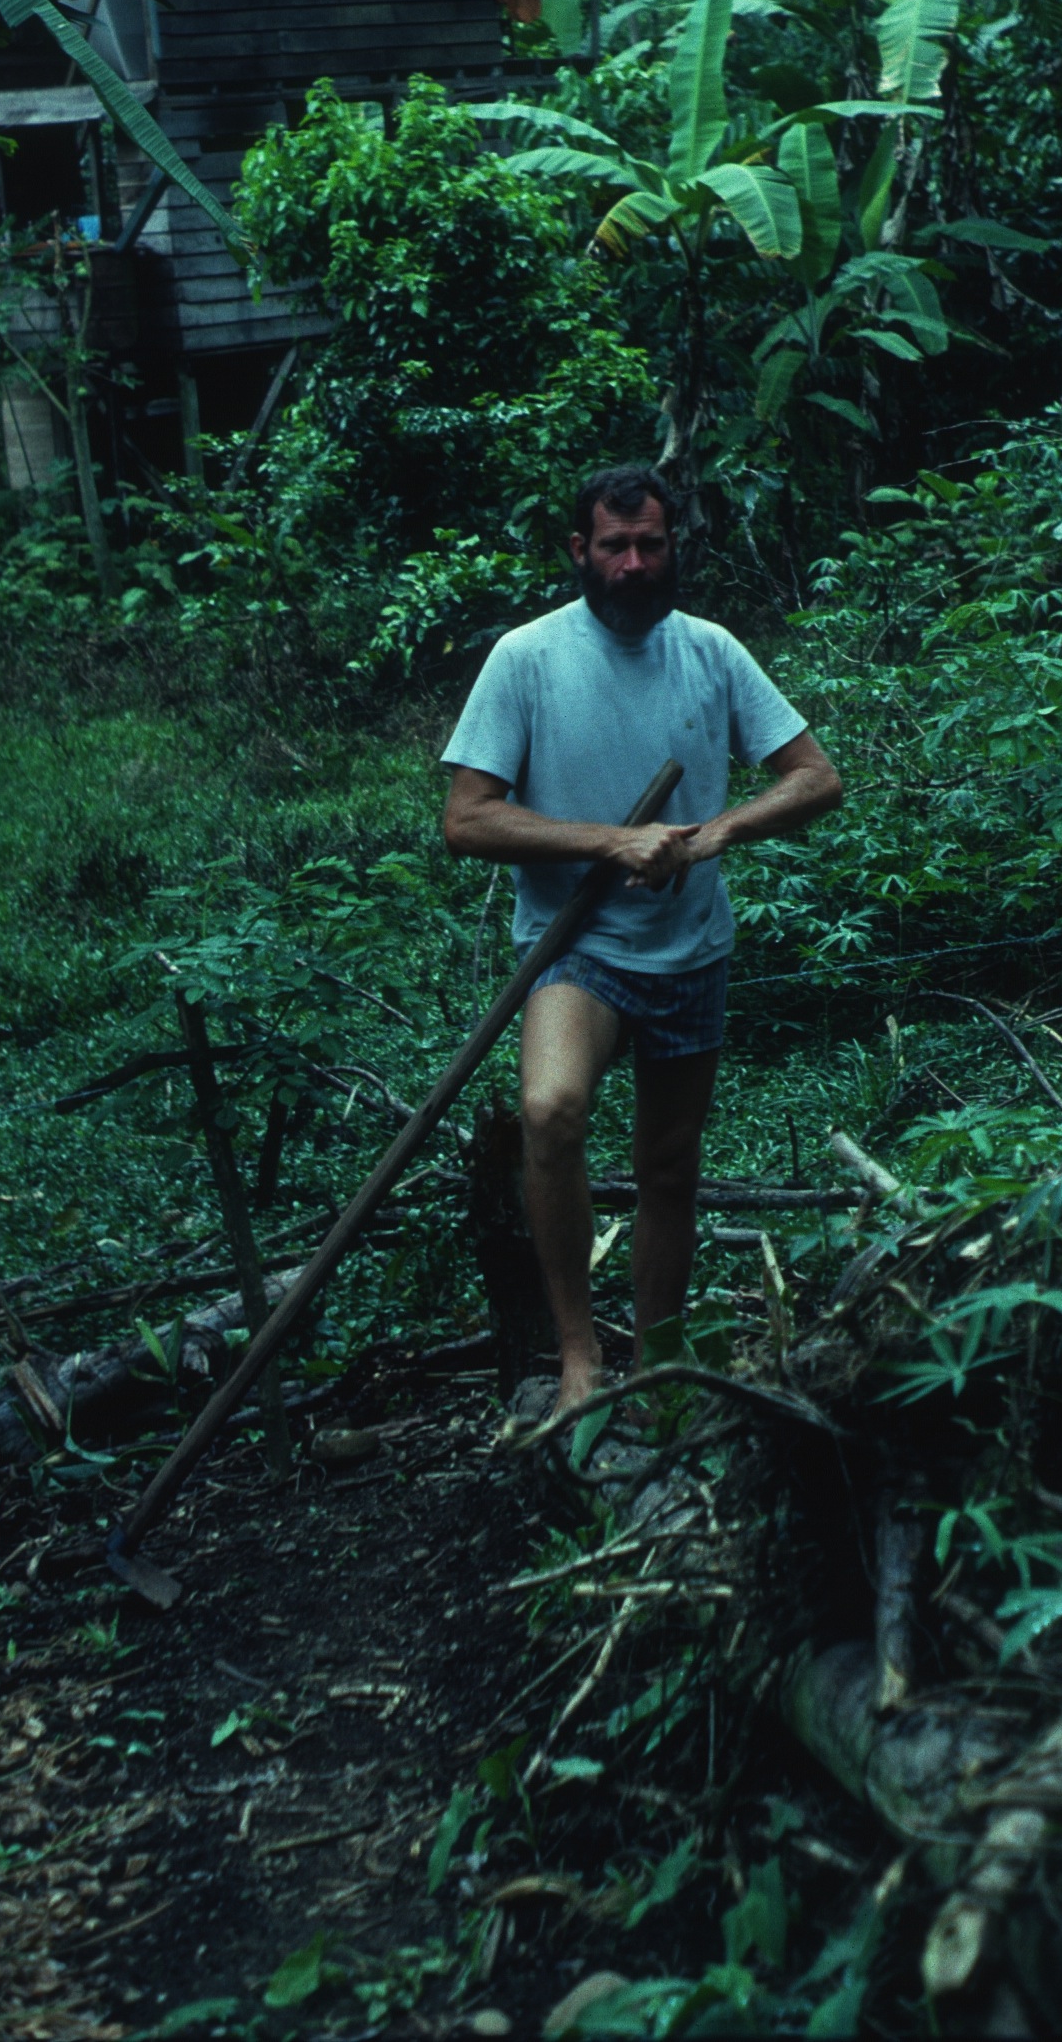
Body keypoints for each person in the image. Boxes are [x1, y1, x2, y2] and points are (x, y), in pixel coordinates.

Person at [441, 463, 843, 1412]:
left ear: (672, 548)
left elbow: (816, 778)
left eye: (649, 545)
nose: (632, 564)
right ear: (578, 552)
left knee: (669, 1166)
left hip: (691, 951)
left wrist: (719, 833)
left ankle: (660, 1366)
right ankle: (580, 1356)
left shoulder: (709, 652)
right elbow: (467, 820)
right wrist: (606, 839)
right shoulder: (527, 659)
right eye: (613, 547)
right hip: (573, 951)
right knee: (549, 1112)